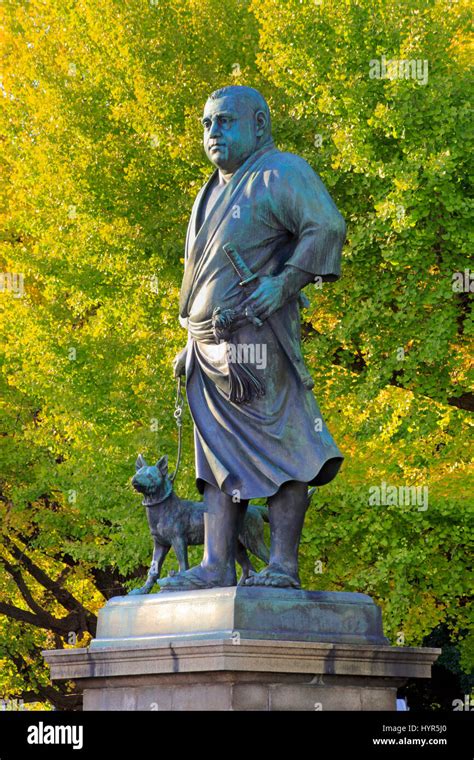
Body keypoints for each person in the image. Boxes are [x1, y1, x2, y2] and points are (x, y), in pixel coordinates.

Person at [159, 85, 346, 591]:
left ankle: (283, 565)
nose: (213, 132)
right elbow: (203, 275)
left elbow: (326, 227)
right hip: (207, 349)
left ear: (259, 124)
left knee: (283, 448)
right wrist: (191, 342)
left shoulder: (281, 171)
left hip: (256, 342)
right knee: (218, 458)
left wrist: (283, 283)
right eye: (206, 124)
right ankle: (216, 563)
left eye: (225, 121)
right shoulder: (209, 191)